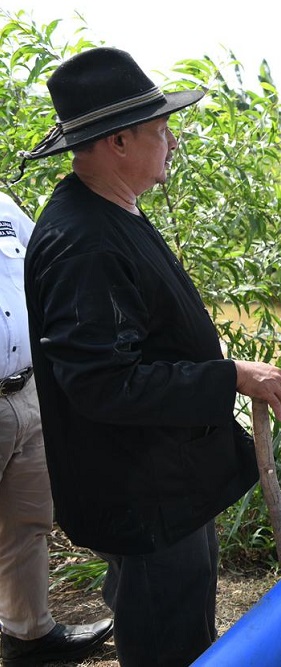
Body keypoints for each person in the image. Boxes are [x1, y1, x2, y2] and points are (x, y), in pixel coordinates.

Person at [19, 47, 281, 666]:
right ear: (118, 141)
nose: (172, 141)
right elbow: (103, 383)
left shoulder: (112, 211)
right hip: (138, 490)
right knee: (166, 634)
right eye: (160, 129)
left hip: (161, 477)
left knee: (178, 607)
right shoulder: (84, 242)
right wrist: (229, 376)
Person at [0, 193, 114, 666]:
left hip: (26, 390)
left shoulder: (5, 207)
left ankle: (29, 636)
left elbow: (48, 265)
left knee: (26, 522)